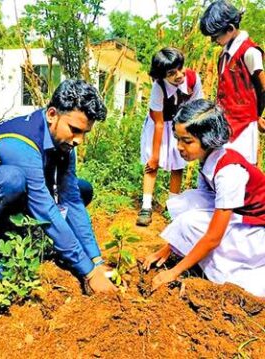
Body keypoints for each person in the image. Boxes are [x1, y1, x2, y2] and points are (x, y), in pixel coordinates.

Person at [0, 79, 117, 294]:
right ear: (52, 114)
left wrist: (96, 261)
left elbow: (71, 200)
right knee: (12, 179)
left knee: (81, 189)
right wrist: (88, 272)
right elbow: (43, 206)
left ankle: (21, 233)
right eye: (74, 129)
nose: (79, 140)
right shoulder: (19, 141)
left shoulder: (65, 142)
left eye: (84, 133)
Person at [145, 99, 265, 297]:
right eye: (177, 139)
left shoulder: (229, 172)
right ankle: (202, 262)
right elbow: (203, 203)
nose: (179, 147)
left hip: (256, 234)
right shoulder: (209, 161)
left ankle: (221, 273)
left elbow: (214, 236)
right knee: (187, 203)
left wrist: (174, 272)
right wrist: (167, 249)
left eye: (187, 141)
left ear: (208, 139)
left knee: (189, 222)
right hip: (241, 221)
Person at [137, 47, 204, 226]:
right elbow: (158, 123)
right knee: (152, 164)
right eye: (172, 73)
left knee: (178, 162)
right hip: (159, 124)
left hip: (180, 125)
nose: (179, 75)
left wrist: (190, 136)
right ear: (162, 76)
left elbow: (197, 108)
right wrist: (155, 155)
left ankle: (172, 205)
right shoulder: (158, 87)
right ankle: (146, 205)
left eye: (180, 69)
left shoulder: (193, 79)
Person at [200, 0, 265, 164]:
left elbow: (263, 87)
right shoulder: (223, 55)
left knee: (243, 171)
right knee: (223, 169)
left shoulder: (249, 52)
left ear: (230, 29)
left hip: (244, 126)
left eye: (215, 36)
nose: (213, 40)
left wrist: (259, 116)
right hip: (225, 125)